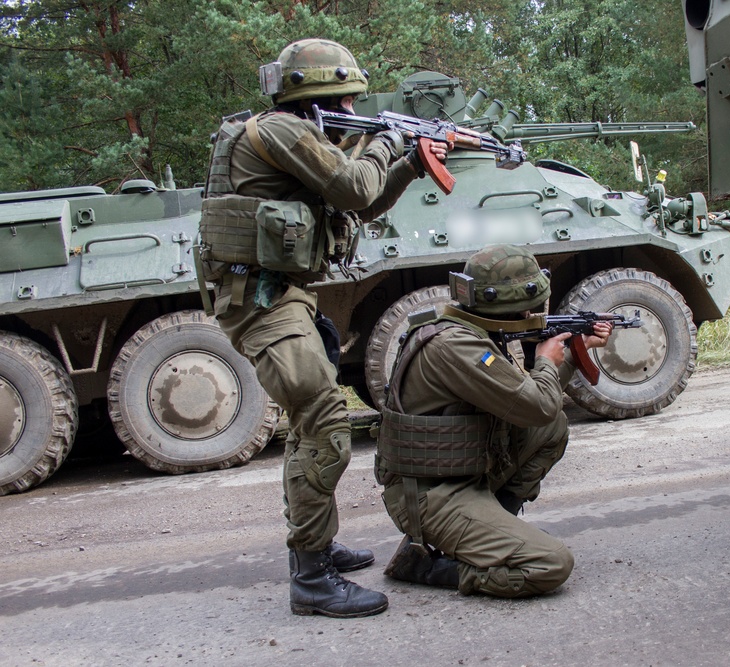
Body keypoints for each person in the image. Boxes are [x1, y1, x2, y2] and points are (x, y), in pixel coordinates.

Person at [197, 38, 449, 618]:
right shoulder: (283, 132)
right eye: (346, 99)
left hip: (277, 293)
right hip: (260, 300)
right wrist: (388, 138)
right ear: (319, 96)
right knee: (325, 424)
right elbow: (358, 184)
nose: (354, 110)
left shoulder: (301, 136)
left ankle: (318, 546)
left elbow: (361, 205)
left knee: (311, 421)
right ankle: (310, 577)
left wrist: (412, 161)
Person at [375, 244, 611, 597]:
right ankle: (428, 565)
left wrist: (574, 356)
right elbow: (537, 403)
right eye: (529, 308)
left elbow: (531, 407)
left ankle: (494, 526)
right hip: (430, 497)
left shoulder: (470, 332)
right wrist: (546, 360)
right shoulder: (457, 347)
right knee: (550, 563)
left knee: (551, 428)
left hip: (465, 474)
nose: (534, 314)